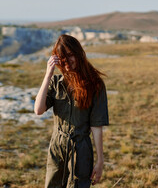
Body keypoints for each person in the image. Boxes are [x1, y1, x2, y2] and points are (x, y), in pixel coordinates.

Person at [34, 34, 109, 188]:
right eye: (62, 57)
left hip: (81, 149)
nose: (67, 61)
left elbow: (96, 127)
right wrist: (48, 74)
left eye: (70, 55)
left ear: (79, 54)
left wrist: (100, 160)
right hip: (56, 147)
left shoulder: (95, 85)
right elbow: (38, 110)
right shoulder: (55, 83)